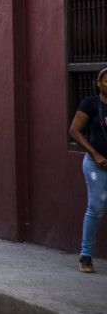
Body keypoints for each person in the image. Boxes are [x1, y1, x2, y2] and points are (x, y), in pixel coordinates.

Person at [69, 67, 107, 273]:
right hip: (97, 165)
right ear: (99, 83)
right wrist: (95, 154)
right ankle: (86, 255)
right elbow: (74, 131)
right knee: (96, 207)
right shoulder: (91, 104)